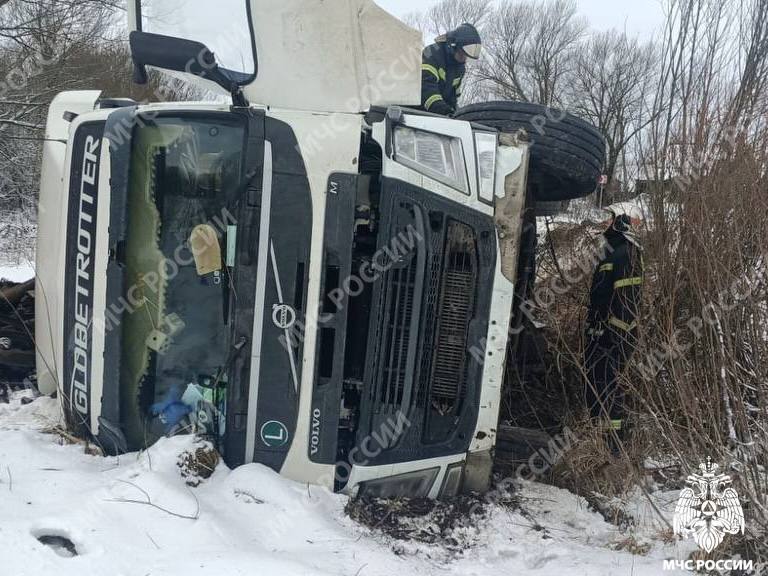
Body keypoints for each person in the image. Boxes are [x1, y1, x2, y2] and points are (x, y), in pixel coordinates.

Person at [584, 205, 644, 445]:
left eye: (608, 219)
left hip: (614, 338)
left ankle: (613, 445)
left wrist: (614, 334)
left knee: (610, 387)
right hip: (600, 334)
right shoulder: (611, 251)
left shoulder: (627, 252)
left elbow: (628, 301)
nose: (603, 224)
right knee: (597, 385)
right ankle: (598, 437)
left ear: (621, 221)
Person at [420, 23, 482, 116]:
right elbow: (425, 87)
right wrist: (444, 111)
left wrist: (457, 114)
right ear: (453, 46)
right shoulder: (431, 53)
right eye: (462, 53)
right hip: (417, 112)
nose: (464, 58)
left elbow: (453, 97)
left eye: (466, 56)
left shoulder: (460, 68)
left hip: (438, 116)